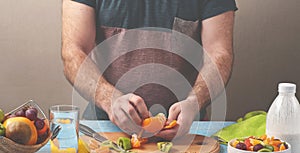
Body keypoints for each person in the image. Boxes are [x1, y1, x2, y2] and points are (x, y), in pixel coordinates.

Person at [61, 0, 237, 140]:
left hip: (188, 129)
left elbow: (219, 54)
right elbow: (73, 52)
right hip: (104, 129)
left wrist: (194, 102)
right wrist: (109, 99)